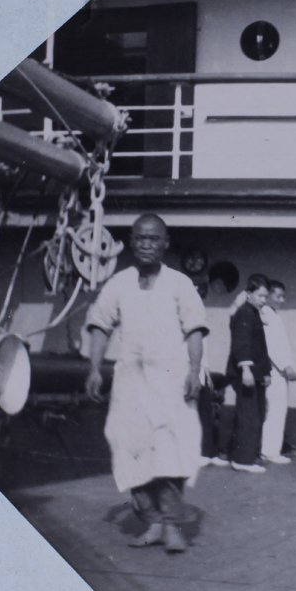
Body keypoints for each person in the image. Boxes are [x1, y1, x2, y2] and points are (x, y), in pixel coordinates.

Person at [84, 213, 207, 553]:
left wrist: (194, 371)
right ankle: (152, 521)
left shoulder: (180, 284)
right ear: (132, 241)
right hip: (130, 383)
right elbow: (100, 325)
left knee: (169, 451)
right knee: (129, 450)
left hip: (170, 380)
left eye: (154, 239)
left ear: (165, 243)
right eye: (140, 238)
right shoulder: (119, 283)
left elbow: (195, 330)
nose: (147, 245)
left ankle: (171, 524)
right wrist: (94, 369)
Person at [226, 273, 272, 474]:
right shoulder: (245, 313)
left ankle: (248, 455)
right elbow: (241, 343)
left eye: (265, 296)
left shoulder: (253, 313)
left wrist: (266, 371)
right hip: (247, 373)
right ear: (248, 293)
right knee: (249, 416)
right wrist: (245, 369)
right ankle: (242, 460)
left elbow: (260, 347)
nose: (263, 300)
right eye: (260, 296)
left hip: (256, 373)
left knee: (255, 414)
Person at [260, 279, 296, 464]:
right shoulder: (266, 315)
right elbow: (271, 346)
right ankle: (270, 451)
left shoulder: (273, 315)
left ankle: (269, 449)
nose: (282, 300)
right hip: (275, 371)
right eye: (278, 296)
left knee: (275, 410)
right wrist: (285, 367)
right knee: (275, 411)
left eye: (283, 296)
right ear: (268, 296)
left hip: (278, 371)